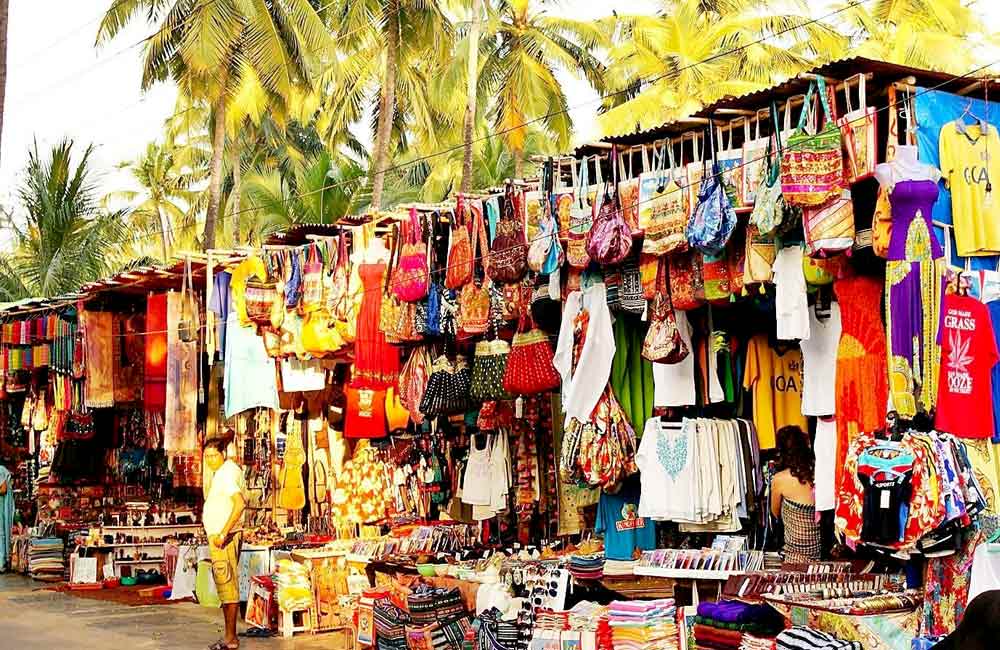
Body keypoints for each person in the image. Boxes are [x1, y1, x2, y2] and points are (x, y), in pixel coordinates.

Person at [203, 433, 246, 650]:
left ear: (223, 454)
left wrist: (222, 533)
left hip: (223, 537)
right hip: (224, 535)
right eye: (207, 456)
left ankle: (230, 637)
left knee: (227, 585)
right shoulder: (228, 471)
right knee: (225, 585)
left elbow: (239, 503)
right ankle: (230, 636)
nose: (210, 460)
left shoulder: (225, 475)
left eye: (213, 455)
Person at [770, 425, 821, 563]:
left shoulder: (779, 479)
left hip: (794, 557)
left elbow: (775, 513)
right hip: (822, 554)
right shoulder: (821, 473)